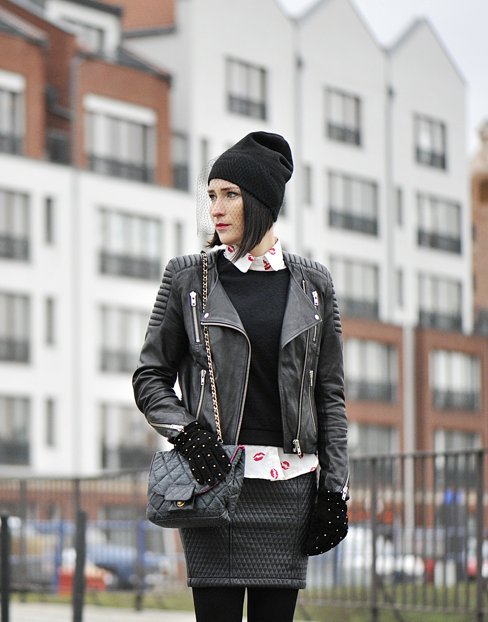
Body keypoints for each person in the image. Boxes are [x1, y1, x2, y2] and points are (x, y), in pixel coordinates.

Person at [133, 131, 349, 622]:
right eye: (211, 195)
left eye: (229, 194)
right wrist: (188, 436)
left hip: (289, 489)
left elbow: (330, 395)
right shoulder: (187, 278)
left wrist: (335, 489)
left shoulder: (314, 284)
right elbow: (149, 377)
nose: (216, 209)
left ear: (261, 202)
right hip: (211, 482)